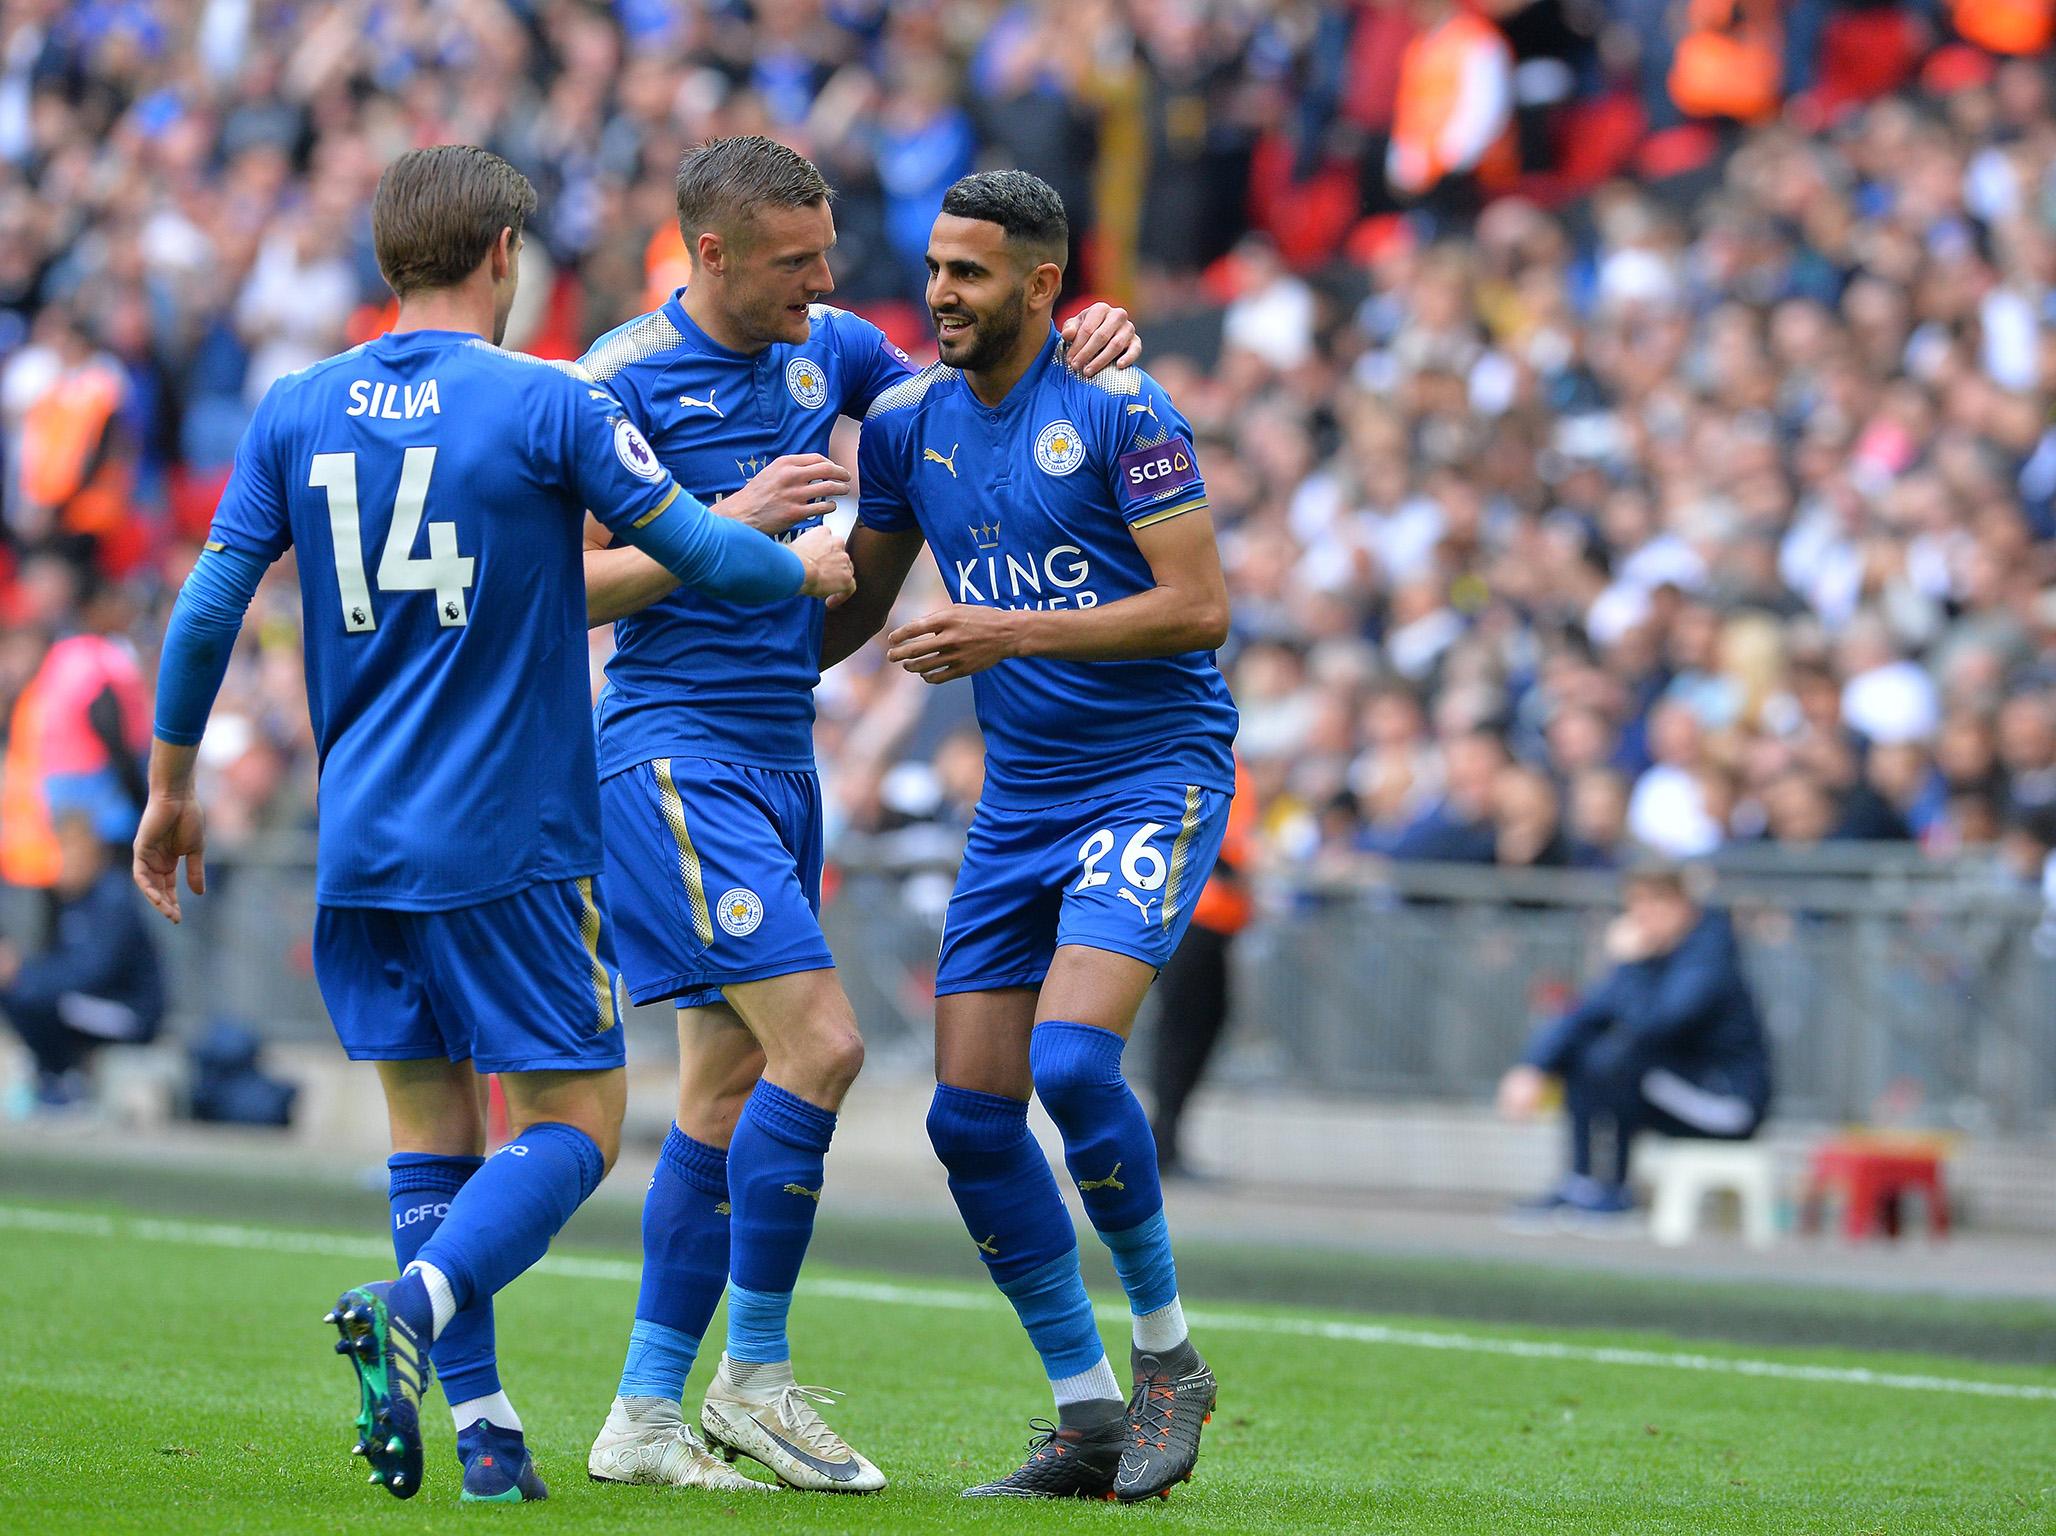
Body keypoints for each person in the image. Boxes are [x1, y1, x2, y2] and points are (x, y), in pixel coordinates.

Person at [130, 144, 852, 1506]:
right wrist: (797, 566)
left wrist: (171, 786)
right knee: (577, 1122)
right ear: (504, 256)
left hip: (361, 841)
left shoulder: (294, 406)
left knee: (432, 1131)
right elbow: (696, 552)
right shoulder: (543, 402)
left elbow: (211, 606)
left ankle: (487, 1436)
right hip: (508, 835)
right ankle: (413, 1302)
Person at [575, 135, 1138, 1494]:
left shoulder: (833, 350)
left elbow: (984, 386)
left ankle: (644, 1416)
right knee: (821, 1051)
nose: (826, 282)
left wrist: (1091, 335)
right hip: (671, 755)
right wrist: (731, 527)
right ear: (708, 254)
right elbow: (556, 588)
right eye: (794, 262)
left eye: (828, 253)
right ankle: (754, 1380)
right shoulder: (610, 381)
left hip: (780, 759)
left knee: (722, 1089)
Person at [826, 169, 1236, 1502]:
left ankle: (1169, 1357)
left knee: (1070, 1060)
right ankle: (1085, 1414)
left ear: (1046, 285)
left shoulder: (1120, 403)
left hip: (1148, 773)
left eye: (972, 272)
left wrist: (1007, 630)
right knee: (968, 1116)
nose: (942, 292)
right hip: (1021, 798)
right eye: (936, 267)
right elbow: (853, 613)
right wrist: (704, 597)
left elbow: (1197, 608)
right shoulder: (903, 425)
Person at [1496, 861, 1773, 1223]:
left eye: (1653, 902)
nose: (1641, 915)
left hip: (1726, 1102)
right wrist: (1532, 1067)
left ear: (1681, 905)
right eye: (1635, 903)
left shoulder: (1709, 956)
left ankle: (1613, 1189)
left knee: (1620, 1062)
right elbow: (1585, 1015)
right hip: (1671, 1086)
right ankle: (1582, 1183)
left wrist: (1628, 966)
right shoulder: (1651, 957)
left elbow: (1656, 1024)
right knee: (1584, 1054)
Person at [0, 811, 163, 1112]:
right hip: (84, 1004)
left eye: (68, 850)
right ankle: (51, 1075)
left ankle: (65, 1080)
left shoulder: (113, 900)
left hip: (128, 1013)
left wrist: (22, 973)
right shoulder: (63, 901)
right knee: (19, 995)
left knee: (35, 997)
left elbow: (92, 972)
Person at [1148, 753, 1255, 1178]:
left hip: (1209, 923)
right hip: (1194, 918)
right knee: (1182, 1033)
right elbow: (1218, 845)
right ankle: (1162, 1142)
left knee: (1198, 1027)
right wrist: (1250, 871)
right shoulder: (1212, 763)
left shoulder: (1222, 763)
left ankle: (1167, 1138)